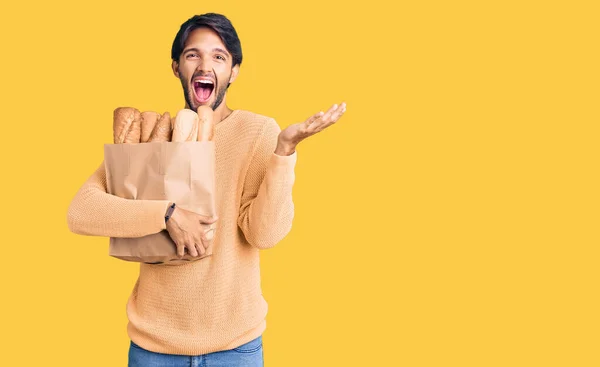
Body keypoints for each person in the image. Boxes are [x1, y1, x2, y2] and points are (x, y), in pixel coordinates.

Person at [66, 12, 346, 366]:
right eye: (192, 54)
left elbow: (265, 234)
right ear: (176, 67)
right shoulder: (156, 135)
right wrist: (167, 214)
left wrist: (284, 151)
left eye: (219, 56)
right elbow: (80, 212)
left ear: (234, 71)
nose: (205, 64)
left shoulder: (257, 132)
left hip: (236, 350)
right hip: (154, 350)